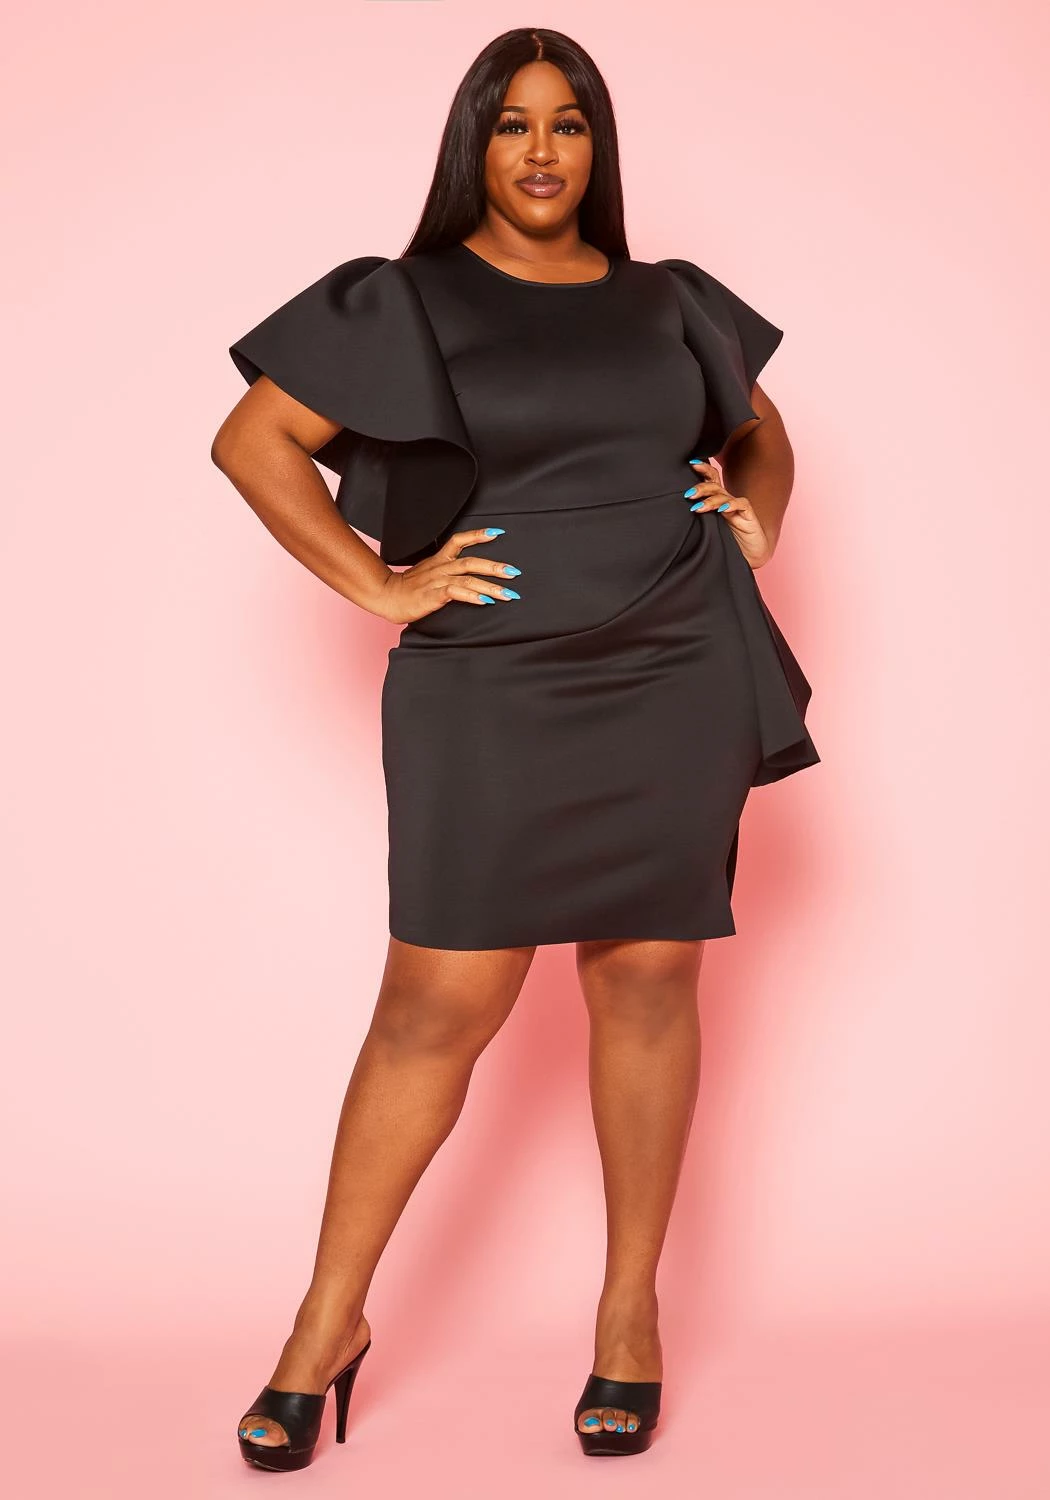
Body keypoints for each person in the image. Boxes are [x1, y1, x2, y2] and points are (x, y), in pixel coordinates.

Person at [212, 26, 819, 1469]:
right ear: (472, 144)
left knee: (648, 975)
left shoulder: (668, 299)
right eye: (511, 124)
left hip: (673, 660)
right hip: (486, 679)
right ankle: (326, 1326)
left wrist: (755, 521)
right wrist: (379, 584)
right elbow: (253, 442)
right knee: (435, 1000)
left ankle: (628, 1315)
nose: (542, 150)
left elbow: (762, 434)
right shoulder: (403, 298)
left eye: (568, 123)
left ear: (598, 145)